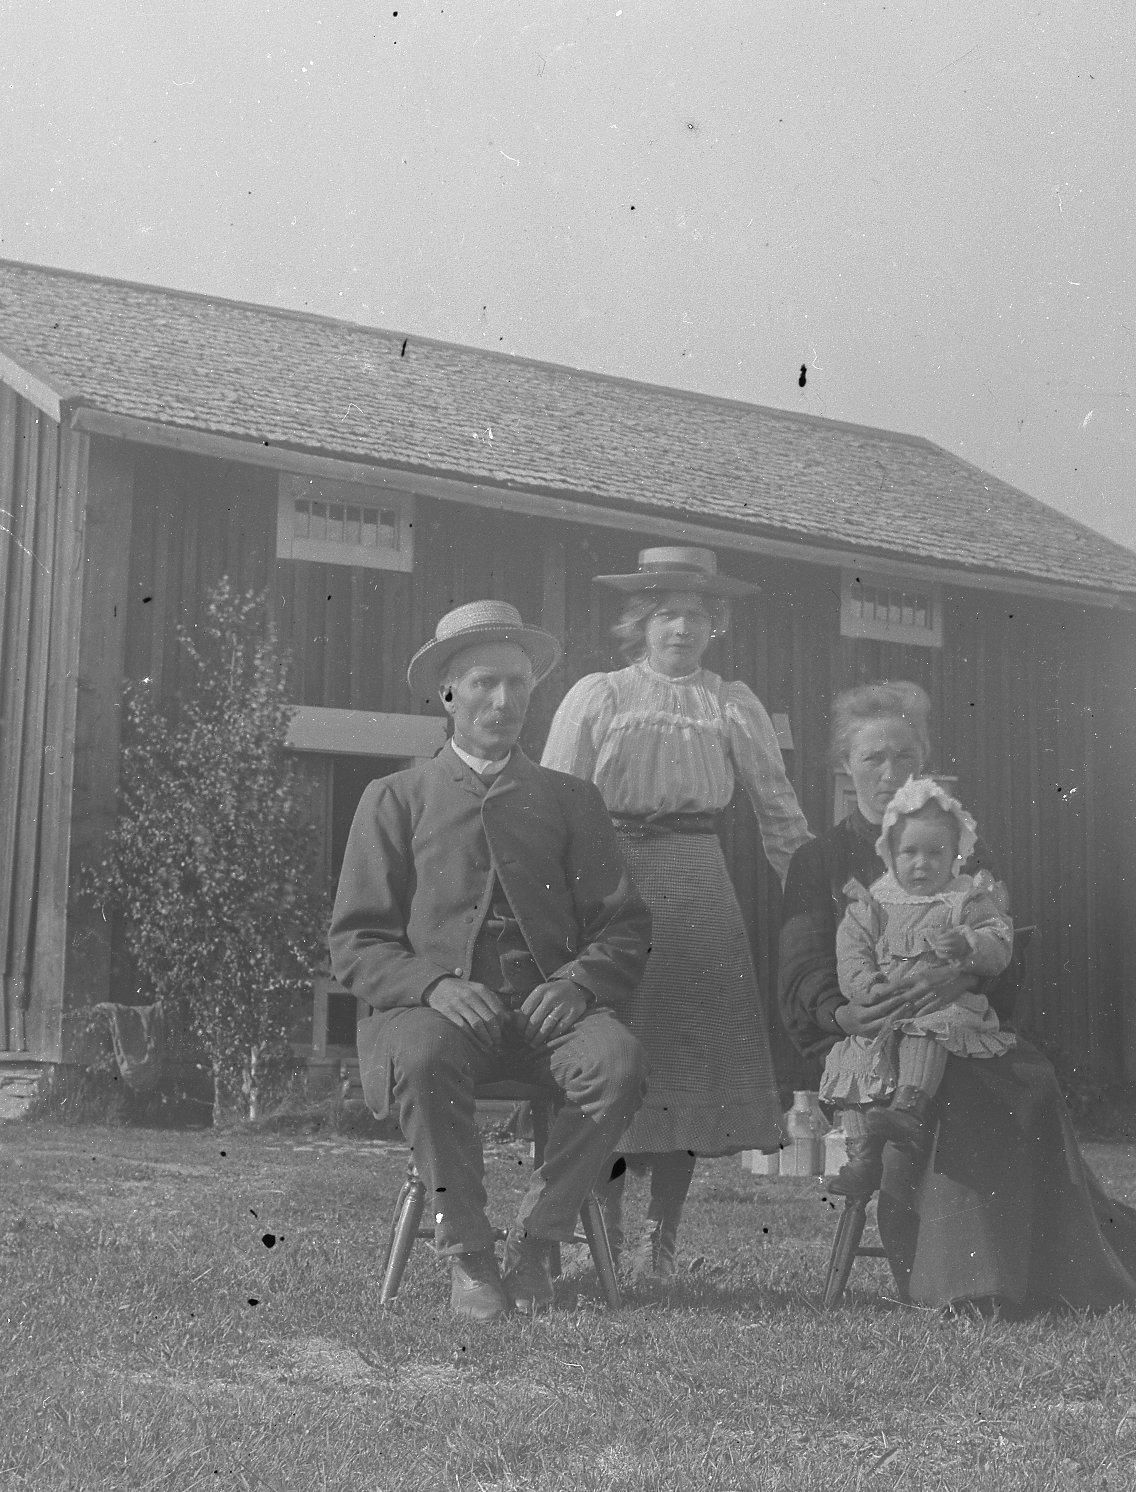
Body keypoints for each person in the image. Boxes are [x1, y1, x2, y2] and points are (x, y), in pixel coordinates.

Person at [330, 599, 654, 1323]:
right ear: (448, 693)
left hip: (546, 1021)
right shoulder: (396, 799)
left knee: (617, 1062)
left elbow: (623, 925)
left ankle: (539, 1243)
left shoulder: (570, 801)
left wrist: (578, 985)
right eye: (484, 683)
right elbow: (356, 941)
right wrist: (433, 986)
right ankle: (470, 1255)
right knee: (422, 1056)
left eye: (518, 683)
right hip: (433, 1019)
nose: (503, 701)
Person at [776, 681, 1136, 1314]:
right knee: (953, 1093)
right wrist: (846, 1011)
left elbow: (1003, 946)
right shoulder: (821, 860)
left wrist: (965, 976)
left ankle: (1046, 1272)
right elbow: (803, 965)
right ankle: (966, 1282)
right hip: (867, 1034)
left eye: (904, 756)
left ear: (923, 763)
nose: (890, 773)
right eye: (872, 758)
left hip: (959, 1023)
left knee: (1025, 1078)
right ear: (844, 766)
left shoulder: (963, 850)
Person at [541, 545, 813, 1282]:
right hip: (611, 883)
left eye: (697, 615)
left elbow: (779, 810)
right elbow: (553, 807)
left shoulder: (730, 702)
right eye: (667, 614)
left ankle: (660, 1241)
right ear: (640, 622)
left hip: (698, 885)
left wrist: (814, 897)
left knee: (689, 1061)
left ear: (715, 624)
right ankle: (604, 1231)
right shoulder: (600, 695)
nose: (682, 629)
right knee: (616, 1053)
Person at [818, 779, 1018, 1197]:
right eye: (909, 852)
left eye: (935, 853)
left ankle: (910, 1107)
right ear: (890, 853)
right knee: (855, 1058)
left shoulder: (964, 899)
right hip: (888, 1007)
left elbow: (999, 941)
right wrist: (868, 987)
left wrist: (967, 945)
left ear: (956, 855)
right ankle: (861, 1160)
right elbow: (852, 951)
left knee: (927, 1031)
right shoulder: (875, 903)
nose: (922, 864)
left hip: (943, 1006)